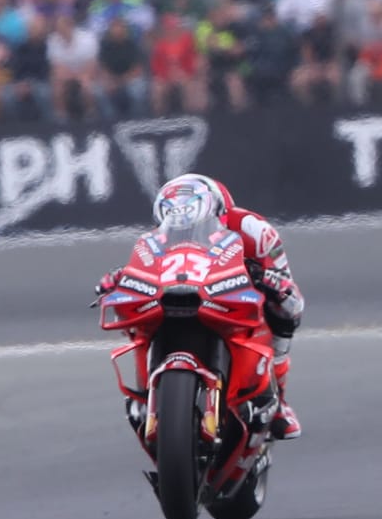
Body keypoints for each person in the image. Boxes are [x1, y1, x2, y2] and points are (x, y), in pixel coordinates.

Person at [99, 173, 304, 439]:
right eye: (175, 224)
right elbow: (143, 267)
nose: (184, 232)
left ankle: (279, 400)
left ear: (218, 213)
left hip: (233, 292)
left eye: (194, 223)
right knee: (137, 316)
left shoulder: (255, 231)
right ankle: (145, 391)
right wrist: (118, 278)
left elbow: (287, 286)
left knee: (288, 308)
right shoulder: (154, 239)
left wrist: (270, 280)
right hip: (181, 292)